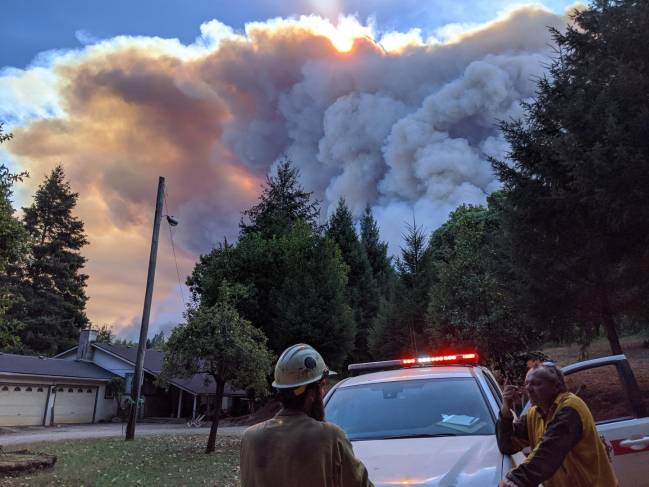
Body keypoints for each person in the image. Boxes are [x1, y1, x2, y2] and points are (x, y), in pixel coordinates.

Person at [240, 343, 374, 487]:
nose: (323, 392)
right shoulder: (330, 437)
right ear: (311, 394)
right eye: (322, 386)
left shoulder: (250, 439)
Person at [496, 363, 617, 487]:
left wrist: (516, 480)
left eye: (536, 384)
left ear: (556, 386)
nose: (529, 389)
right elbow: (507, 445)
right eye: (527, 383)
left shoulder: (570, 408)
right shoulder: (535, 413)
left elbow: (549, 451)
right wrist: (506, 408)